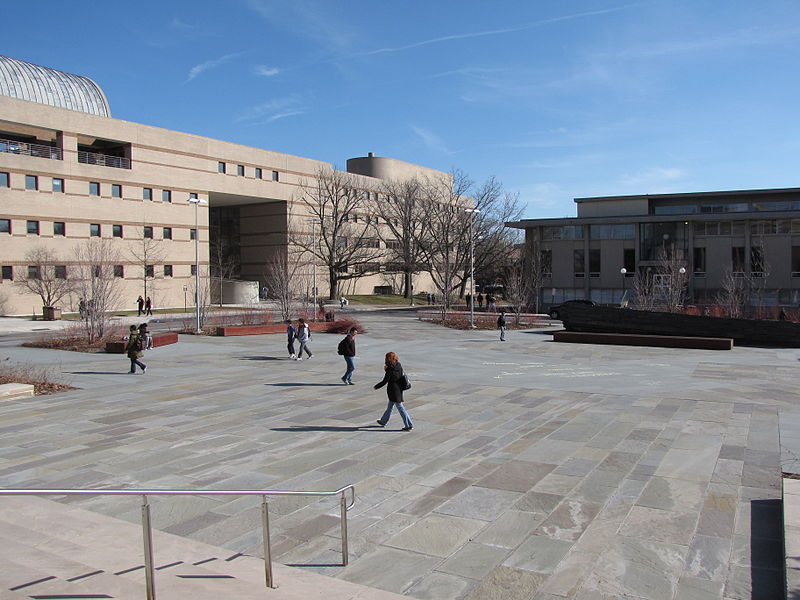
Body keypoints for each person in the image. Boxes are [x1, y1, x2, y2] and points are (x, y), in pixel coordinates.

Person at [374, 351, 413, 431]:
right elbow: (396, 375)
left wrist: (376, 386)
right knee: (390, 406)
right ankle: (383, 421)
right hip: (399, 389)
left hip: (393, 391)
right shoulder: (398, 365)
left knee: (400, 408)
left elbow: (385, 381)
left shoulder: (390, 369)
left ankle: (409, 424)